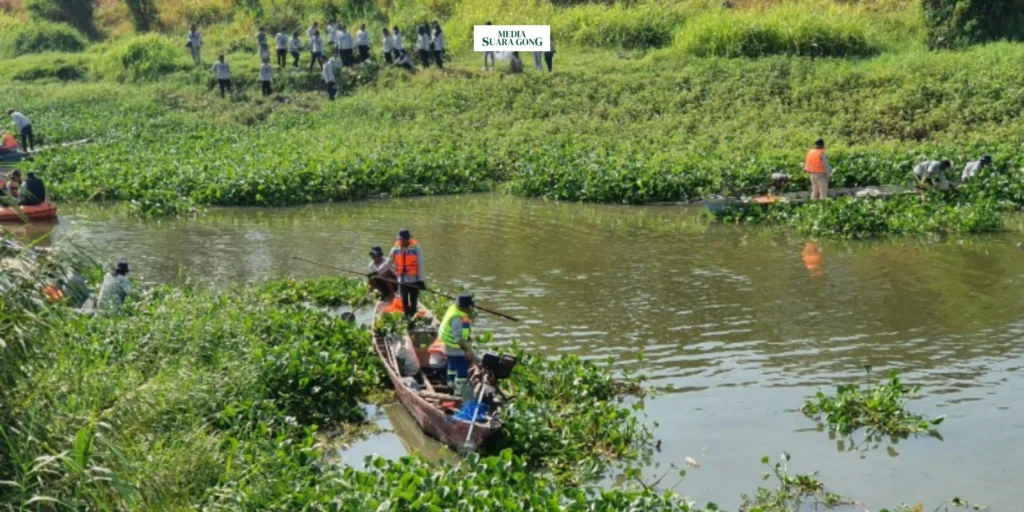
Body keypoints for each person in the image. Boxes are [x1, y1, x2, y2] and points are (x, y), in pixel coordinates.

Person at [429, 294, 477, 393]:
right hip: (455, 348)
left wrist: (468, 336)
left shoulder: (454, 309)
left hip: (447, 346)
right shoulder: (458, 318)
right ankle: (459, 393)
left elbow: (464, 328)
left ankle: (450, 383)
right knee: (462, 370)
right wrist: (468, 350)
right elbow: (458, 338)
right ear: (466, 307)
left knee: (452, 365)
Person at [386, 229, 425, 319]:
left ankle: (413, 316)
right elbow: (388, 262)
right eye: (401, 239)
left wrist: (421, 280)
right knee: (404, 300)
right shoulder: (395, 249)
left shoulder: (416, 248)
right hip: (402, 280)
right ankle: (407, 316)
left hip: (414, 280)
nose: (402, 241)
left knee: (413, 299)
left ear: (408, 239)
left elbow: (421, 264)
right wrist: (377, 272)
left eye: (404, 239)